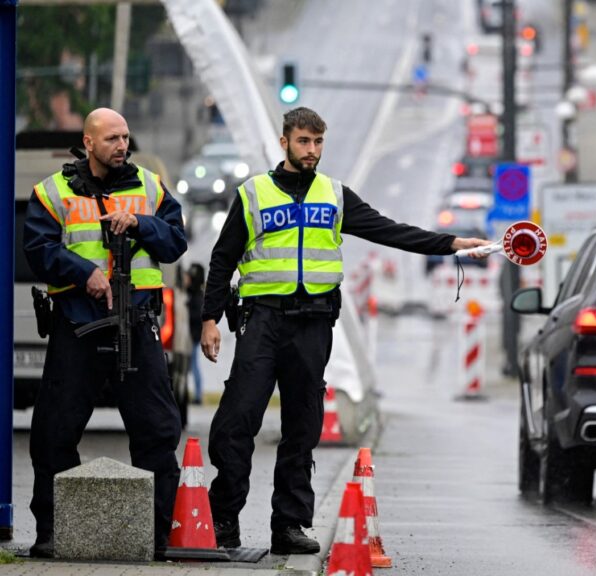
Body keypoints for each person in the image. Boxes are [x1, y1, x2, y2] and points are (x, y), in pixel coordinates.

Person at [200, 107, 490, 554]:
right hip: (261, 322)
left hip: (312, 325)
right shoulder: (253, 193)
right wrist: (209, 319)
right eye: (303, 142)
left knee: (303, 427)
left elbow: (388, 231)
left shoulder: (334, 195)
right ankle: (223, 520)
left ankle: (290, 526)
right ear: (284, 143)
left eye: (318, 143)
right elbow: (222, 260)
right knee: (236, 422)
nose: (312, 151)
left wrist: (450, 244)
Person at [22, 108, 187, 558]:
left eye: (126, 137)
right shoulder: (52, 191)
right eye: (112, 138)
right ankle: (53, 531)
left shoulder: (149, 187)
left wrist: (140, 224)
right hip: (78, 323)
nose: (122, 145)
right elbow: (38, 249)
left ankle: (159, 534)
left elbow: (175, 242)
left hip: (136, 322)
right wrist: (83, 274)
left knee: (157, 429)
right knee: (53, 431)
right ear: (89, 142)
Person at [186, 263, 206, 404]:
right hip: (193, 335)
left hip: (192, 336)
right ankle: (196, 394)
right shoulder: (194, 294)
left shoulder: (196, 296)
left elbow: (196, 316)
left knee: (192, 365)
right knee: (192, 365)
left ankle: (198, 395)